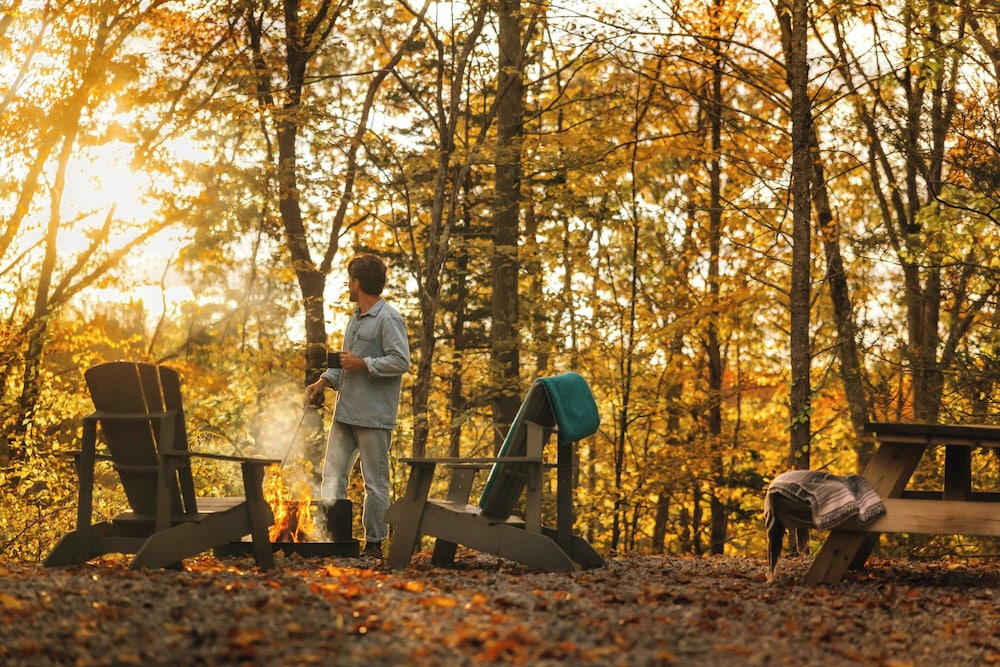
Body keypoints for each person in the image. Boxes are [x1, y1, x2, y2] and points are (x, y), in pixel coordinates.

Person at [305, 254, 410, 558]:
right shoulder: (355, 318)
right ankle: (334, 540)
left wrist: (364, 363)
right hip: (345, 414)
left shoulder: (389, 319)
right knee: (331, 477)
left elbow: (401, 361)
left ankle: (374, 545)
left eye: (350, 280)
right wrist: (322, 382)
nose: (348, 285)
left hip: (374, 418)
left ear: (357, 283)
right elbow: (345, 364)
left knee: (374, 484)